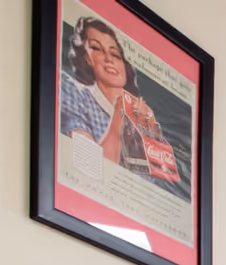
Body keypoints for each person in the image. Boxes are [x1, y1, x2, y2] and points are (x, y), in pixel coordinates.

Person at [58, 17, 174, 178]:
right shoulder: (73, 91)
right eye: (97, 49)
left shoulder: (143, 115)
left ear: (125, 66)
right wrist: (118, 120)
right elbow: (89, 168)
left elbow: (155, 184)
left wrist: (150, 134)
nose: (109, 58)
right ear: (87, 58)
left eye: (115, 54)